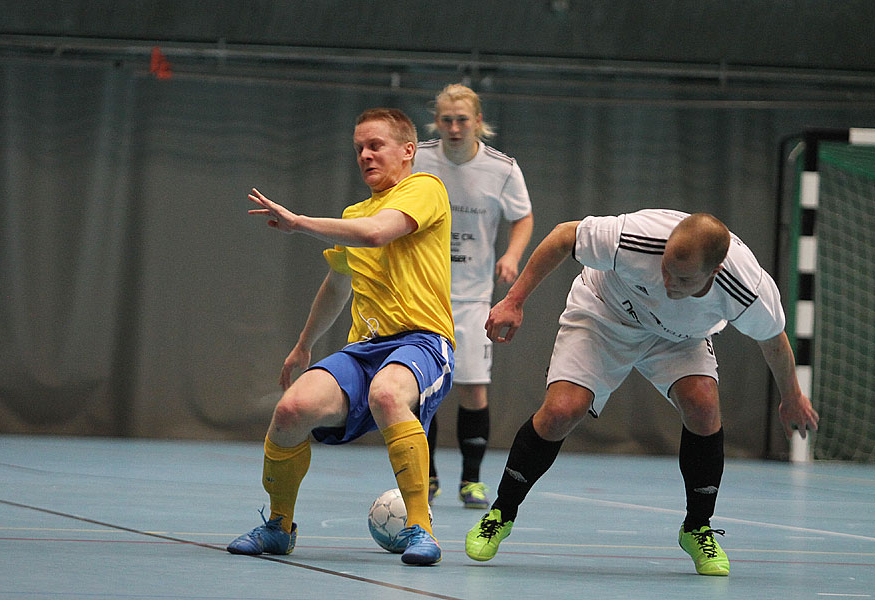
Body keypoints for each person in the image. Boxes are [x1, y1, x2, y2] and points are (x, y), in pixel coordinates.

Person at [464, 209, 819, 576]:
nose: (666, 280)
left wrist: (792, 396)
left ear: (713, 274)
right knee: (561, 411)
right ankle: (501, 513)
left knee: (703, 406)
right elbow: (563, 236)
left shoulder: (746, 288)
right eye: (665, 267)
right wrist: (514, 300)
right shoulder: (638, 237)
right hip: (606, 314)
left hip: (680, 338)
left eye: (681, 278)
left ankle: (697, 527)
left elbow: (773, 342)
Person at [227, 108, 455, 566]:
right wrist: (304, 343)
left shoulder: (425, 189)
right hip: (364, 349)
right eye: (359, 149)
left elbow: (376, 235)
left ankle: (421, 528)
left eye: (376, 146)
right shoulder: (354, 212)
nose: (365, 156)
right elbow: (338, 284)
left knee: (389, 394)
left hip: (423, 341)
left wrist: (298, 222)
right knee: (291, 409)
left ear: (408, 151)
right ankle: (279, 526)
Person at [413, 83, 533, 509]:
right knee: (420, 389)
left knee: (472, 388)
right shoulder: (418, 158)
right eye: (446, 119)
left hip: (472, 298)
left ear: (478, 122)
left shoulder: (502, 169)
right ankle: (424, 477)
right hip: (421, 294)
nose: (454, 127)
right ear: (437, 123)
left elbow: (522, 216)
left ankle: (471, 479)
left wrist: (512, 255)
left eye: (462, 119)